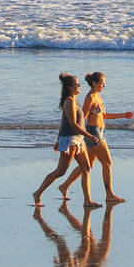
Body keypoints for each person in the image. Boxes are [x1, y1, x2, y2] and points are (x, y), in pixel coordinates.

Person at [58, 71, 134, 204]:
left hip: (100, 131)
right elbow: (83, 117)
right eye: (101, 83)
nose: (103, 86)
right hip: (94, 133)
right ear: (94, 83)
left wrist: (123, 115)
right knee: (108, 163)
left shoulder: (97, 96)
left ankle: (64, 186)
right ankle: (109, 194)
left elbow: (103, 115)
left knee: (88, 166)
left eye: (104, 83)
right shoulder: (90, 98)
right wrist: (80, 135)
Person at [33, 73, 102, 209]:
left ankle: (88, 201)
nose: (80, 86)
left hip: (79, 140)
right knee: (60, 171)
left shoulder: (75, 101)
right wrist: (89, 135)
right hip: (70, 140)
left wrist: (58, 139)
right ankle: (38, 193)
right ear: (71, 88)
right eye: (78, 85)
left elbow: (63, 122)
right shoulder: (69, 102)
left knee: (86, 168)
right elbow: (72, 124)